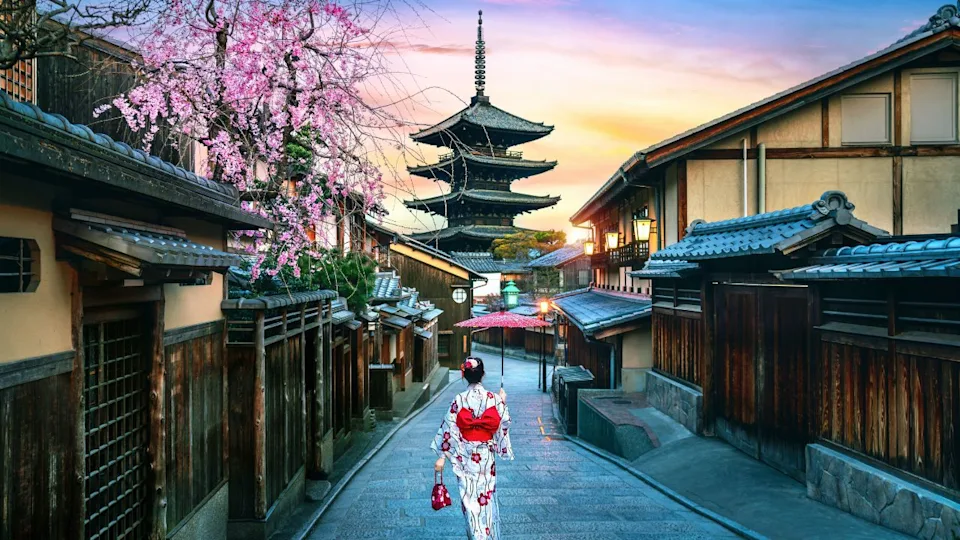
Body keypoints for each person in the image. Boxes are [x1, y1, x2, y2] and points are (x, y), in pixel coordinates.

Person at [432, 357, 513, 539]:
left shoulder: (459, 399)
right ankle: (487, 535)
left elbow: (450, 429)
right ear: (483, 375)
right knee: (486, 498)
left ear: (464, 375)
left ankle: (476, 535)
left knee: (469, 500)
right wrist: (503, 401)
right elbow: (505, 421)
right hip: (485, 458)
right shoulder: (494, 399)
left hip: (465, 457)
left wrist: (442, 457)